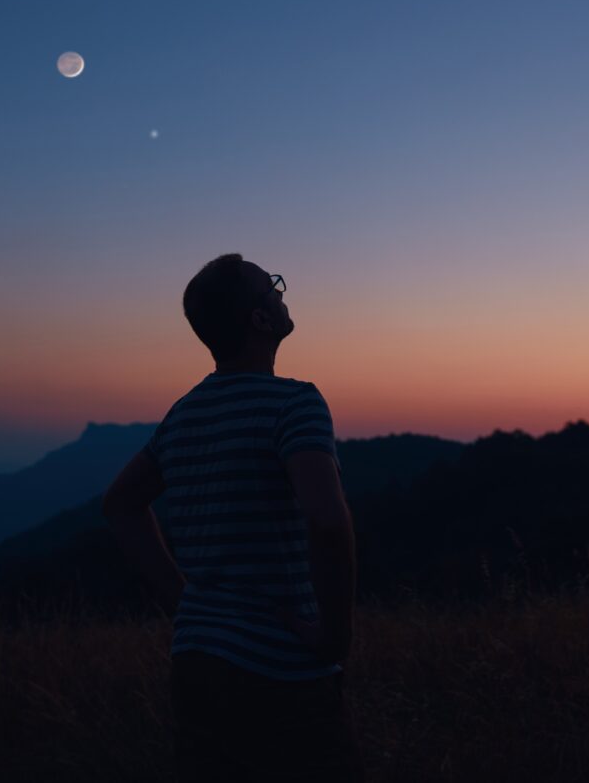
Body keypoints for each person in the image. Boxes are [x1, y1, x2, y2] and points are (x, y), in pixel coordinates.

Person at [102, 253, 359, 782]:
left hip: (195, 665)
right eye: (274, 289)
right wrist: (334, 639)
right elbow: (329, 524)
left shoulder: (184, 413)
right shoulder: (296, 405)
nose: (283, 294)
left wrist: (185, 601)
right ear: (260, 320)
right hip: (280, 669)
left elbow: (121, 504)